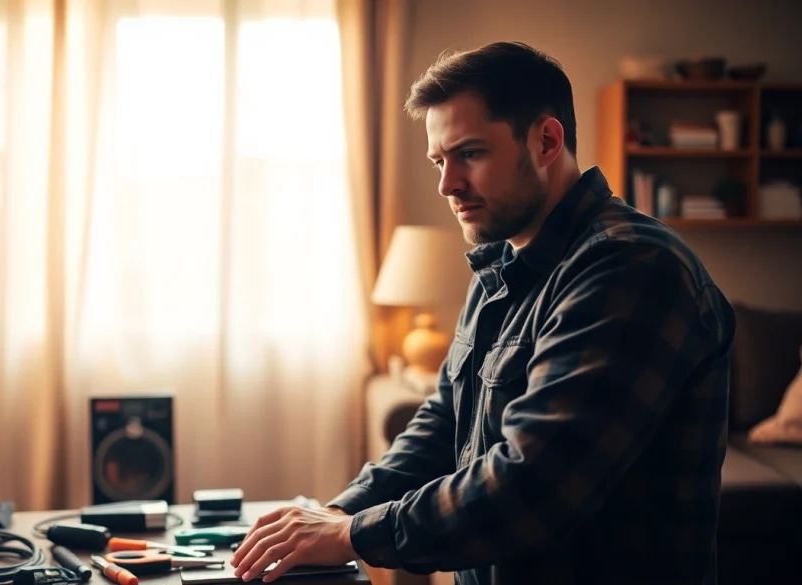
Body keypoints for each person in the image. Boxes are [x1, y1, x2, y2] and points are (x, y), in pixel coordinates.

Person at [229, 41, 736, 585]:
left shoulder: (630, 266)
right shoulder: (503, 259)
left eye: (469, 154)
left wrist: (353, 534)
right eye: (439, 161)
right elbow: (444, 418)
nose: (448, 185)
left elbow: (534, 488)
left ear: (546, 140)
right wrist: (337, 512)